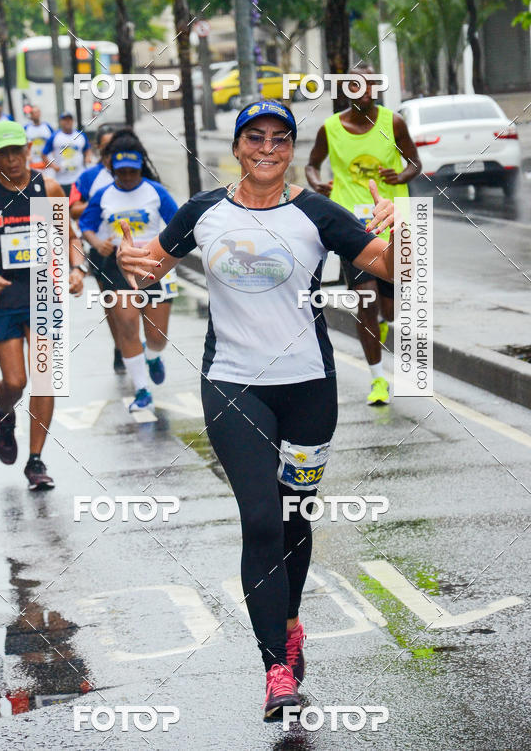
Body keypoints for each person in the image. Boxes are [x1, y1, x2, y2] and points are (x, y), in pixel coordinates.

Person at [117, 99, 396, 718]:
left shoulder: (317, 214)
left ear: (291, 148)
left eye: (279, 139)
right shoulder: (204, 212)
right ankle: (275, 670)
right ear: (238, 147)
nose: (266, 149)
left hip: (309, 389)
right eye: (255, 137)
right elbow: (148, 265)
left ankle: (291, 622)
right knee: (263, 520)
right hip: (233, 384)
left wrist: (402, 230)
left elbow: (392, 269)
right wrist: (127, 263)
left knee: (296, 517)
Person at [0, 121, 86, 489]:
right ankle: (4, 412)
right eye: (2, 153)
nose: (11, 159)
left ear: (28, 149)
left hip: (44, 292)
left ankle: (36, 461)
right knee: (15, 381)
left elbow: (70, 239)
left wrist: (75, 270)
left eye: (16, 151)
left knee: (44, 380)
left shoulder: (48, 187)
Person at [305, 66, 421, 406]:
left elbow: (415, 162)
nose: (363, 90)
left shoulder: (393, 123)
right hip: (351, 227)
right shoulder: (331, 128)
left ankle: (383, 324)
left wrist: (401, 176)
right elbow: (313, 164)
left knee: (390, 309)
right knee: (365, 302)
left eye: (369, 84)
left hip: (392, 222)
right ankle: (378, 380)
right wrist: (316, 182)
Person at [80, 129, 179, 409]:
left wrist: (163, 247)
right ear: (112, 168)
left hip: (152, 264)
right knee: (127, 325)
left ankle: (153, 356)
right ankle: (142, 390)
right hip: (116, 267)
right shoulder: (103, 194)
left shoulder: (155, 192)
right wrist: (98, 243)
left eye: (131, 172)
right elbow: (86, 225)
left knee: (157, 338)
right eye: (120, 172)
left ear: (140, 168)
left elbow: (179, 226)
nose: (125, 177)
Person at [69, 126, 122, 372]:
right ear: (98, 148)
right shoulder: (89, 177)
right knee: (112, 304)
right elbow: (72, 208)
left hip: (135, 249)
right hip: (102, 250)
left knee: (141, 302)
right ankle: (121, 346)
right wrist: (100, 201)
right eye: (107, 146)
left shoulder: (133, 170)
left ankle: (138, 345)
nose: (112, 151)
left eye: (116, 144)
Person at [42, 111, 92, 196]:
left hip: (78, 178)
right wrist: (54, 167)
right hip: (61, 180)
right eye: (64, 120)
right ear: (60, 122)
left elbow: (87, 149)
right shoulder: (55, 136)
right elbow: (44, 154)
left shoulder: (80, 135)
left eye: (69, 119)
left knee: (78, 206)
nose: (67, 122)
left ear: (73, 121)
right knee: (61, 207)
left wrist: (88, 157)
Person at [24, 105, 54, 170]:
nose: (35, 114)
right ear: (30, 114)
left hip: (47, 164)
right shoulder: (26, 128)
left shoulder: (47, 127)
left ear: (40, 113)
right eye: (33, 113)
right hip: (33, 164)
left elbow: (53, 143)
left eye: (37, 112)